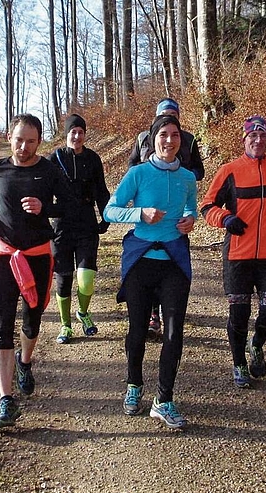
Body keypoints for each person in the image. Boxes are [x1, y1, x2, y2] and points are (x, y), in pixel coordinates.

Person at [0, 113, 74, 430]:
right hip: (4, 251)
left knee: (32, 318)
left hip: (37, 253)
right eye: (19, 139)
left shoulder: (48, 170)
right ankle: (6, 401)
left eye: (31, 141)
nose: (24, 146)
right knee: (3, 323)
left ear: (39, 142)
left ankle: (25, 362)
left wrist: (47, 209)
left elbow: (70, 204)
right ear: (9, 137)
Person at [104, 114, 197, 429]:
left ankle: (165, 399)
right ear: (153, 139)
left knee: (174, 332)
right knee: (138, 330)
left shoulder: (187, 177)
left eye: (174, 135)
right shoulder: (138, 173)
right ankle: (134, 384)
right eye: (163, 135)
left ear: (180, 141)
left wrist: (189, 219)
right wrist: (139, 213)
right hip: (141, 261)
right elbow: (110, 210)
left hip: (173, 260)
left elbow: (190, 207)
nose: (169, 141)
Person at [200, 115, 266, 389]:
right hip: (238, 255)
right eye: (252, 137)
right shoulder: (229, 170)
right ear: (244, 140)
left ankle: (256, 344)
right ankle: (239, 362)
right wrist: (225, 219)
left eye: (262, 137)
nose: (257, 141)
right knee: (239, 314)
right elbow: (206, 206)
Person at [128, 98, 204, 341]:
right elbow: (131, 164)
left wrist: (181, 177)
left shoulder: (189, 139)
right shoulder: (143, 138)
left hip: (176, 213)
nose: (169, 139)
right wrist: (148, 174)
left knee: (172, 261)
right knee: (148, 261)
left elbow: (199, 170)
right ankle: (152, 314)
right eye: (165, 113)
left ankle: (169, 306)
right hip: (148, 211)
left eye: (174, 113)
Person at [47, 114, 110, 344]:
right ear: (66, 134)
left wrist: (105, 216)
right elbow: (43, 191)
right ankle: (65, 325)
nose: (77, 136)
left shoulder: (93, 159)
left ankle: (83, 313)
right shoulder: (54, 158)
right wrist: (45, 216)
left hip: (86, 223)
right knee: (63, 279)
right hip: (61, 225)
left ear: (84, 134)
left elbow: (102, 190)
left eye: (80, 132)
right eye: (73, 132)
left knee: (86, 278)